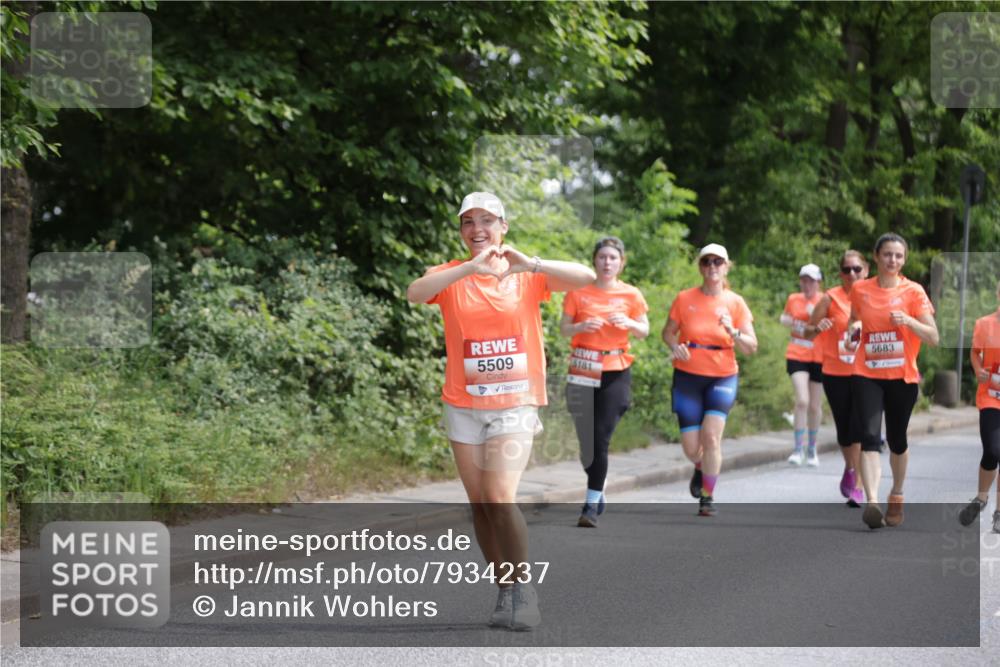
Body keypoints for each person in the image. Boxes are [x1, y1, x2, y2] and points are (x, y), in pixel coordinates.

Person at [406, 192, 595, 629]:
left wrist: (531, 263)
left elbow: (584, 277)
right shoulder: (452, 275)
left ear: (503, 226)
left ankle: (524, 587)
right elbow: (415, 293)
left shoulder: (527, 276)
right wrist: (469, 269)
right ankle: (504, 588)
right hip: (463, 405)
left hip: (513, 403)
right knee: (479, 506)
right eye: (468, 222)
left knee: (499, 496)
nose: (477, 230)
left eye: (487, 220)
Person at [844, 232, 939, 530]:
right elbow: (854, 319)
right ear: (876, 257)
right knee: (869, 436)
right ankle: (872, 502)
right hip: (867, 373)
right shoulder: (860, 289)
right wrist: (853, 333)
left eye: (898, 256)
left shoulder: (914, 292)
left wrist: (910, 321)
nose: (892, 260)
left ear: (904, 260)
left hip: (902, 376)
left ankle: (896, 493)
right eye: (887, 254)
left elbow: (934, 337)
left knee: (897, 439)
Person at [662, 243, 758, 516]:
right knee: (692, 448)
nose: (712, 267)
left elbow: (752, 346)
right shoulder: (684, 299)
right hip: (687, 377)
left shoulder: (735, 302)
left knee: (712, 436)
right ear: (700, 267)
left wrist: (734, 331)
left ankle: (708, 495)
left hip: (723, 375)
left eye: (718, 262)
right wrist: (674, 346)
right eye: (707, 262)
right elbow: (668, 332)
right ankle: (700, 466)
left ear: (727, 266)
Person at [560, 236, 649, 528]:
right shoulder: (578, 293)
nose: (607, 263)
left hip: (615, 368)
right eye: (602, 257)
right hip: (583, 366)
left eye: (613, 258)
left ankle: (590, 505)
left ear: (621, 263)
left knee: (600, 437)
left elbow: (644, 330)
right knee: (587, 444)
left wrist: (630, 324)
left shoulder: (631, 294)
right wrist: (581, 327)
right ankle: (599, 487)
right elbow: (564, 329)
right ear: (594, 261)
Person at [805, 251, 869, 506]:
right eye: (846, 270)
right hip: (835, 371)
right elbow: (807, 331)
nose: (851, 274)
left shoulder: (875, 296)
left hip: (866, 372)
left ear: (866, 269)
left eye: (856, 269)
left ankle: (860, 486)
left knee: (861, 428)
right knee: (844, 429)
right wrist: (817, 328)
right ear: (840, 273)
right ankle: (850, 468)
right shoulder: (830, 298)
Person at [959, 279, 1000, 533]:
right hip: (991, 398)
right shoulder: (985, 324)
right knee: (993, 451)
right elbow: (975, 352)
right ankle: (981, 498)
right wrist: (977, 369)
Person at [782, 264, 826, 467]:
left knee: (815, 406)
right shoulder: (793, 299)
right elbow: (786, 319)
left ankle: (812, 448)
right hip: (797, 353)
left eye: (811, 281)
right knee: (802, 401)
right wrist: (788, 321)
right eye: (804, 280)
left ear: (818, 282)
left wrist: (814, 317)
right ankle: (797, 448)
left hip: (819, 356)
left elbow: (832, 327)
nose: (807, 284)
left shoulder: (825, 300)